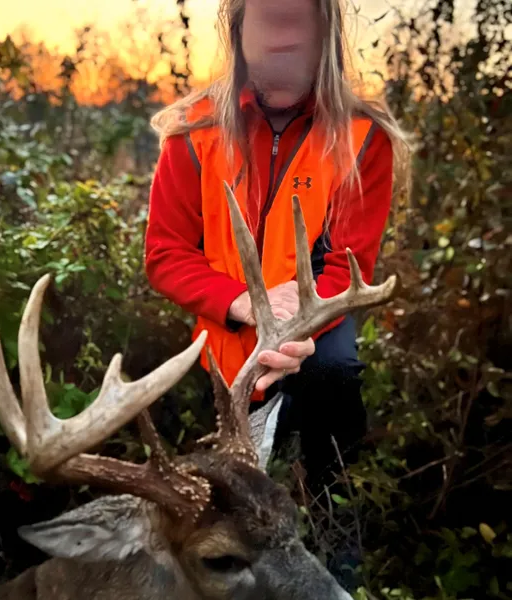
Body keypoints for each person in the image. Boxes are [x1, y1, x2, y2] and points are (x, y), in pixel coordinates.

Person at [144, 0, 409, 496]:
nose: (284, 39)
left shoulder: (362, 136)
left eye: (299, 22)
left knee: (333, 380)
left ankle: (333, 513)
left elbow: (348, 266)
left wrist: (294, 327)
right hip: (225, 329)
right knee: (219, 495)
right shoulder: (194, 130)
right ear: (239, 29)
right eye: (270, 20)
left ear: (325, 34)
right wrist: (243, 303)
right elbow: (166, 253)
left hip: (313, 326)